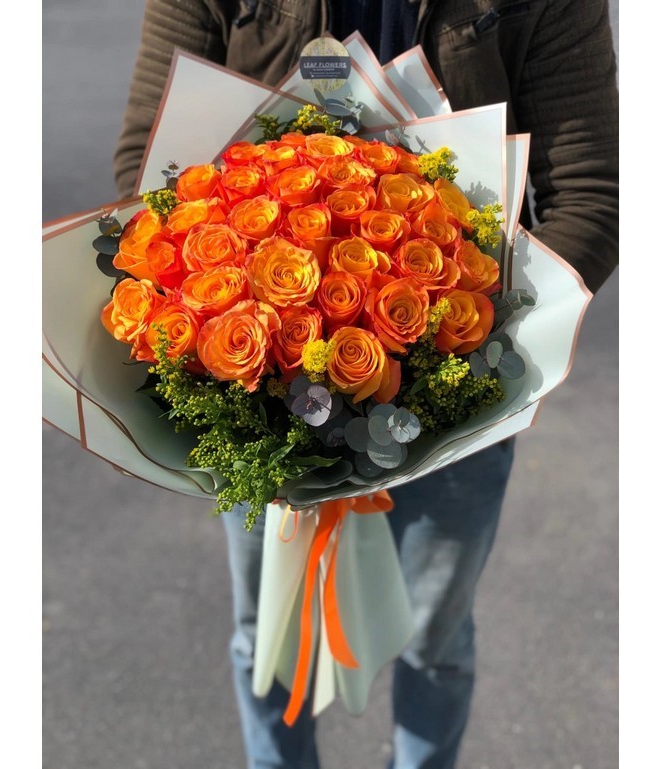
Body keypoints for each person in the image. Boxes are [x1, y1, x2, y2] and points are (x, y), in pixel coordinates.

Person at [112, 2, 619, 767]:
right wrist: (254, 366)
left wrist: (458, 357)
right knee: (267, 632)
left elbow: (589, 189)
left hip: (463, 385)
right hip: (256, 395)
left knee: (435, 637)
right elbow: (147, 172)